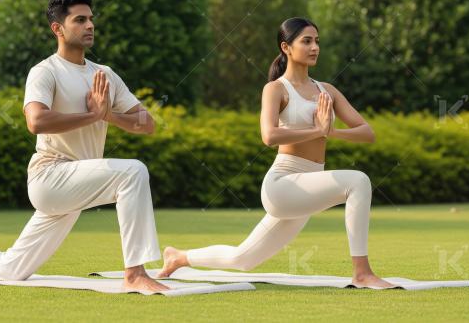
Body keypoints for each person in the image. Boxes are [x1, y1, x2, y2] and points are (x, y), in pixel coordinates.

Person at [0, 0, 169, 292]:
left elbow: (147, 124)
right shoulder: (45, 72)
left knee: (12, 269)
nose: (90, 25)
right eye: (80, 20)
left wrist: (108, 114)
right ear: (58, 28)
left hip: (79, 181)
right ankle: (135, 274)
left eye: (91, 19)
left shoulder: (104, 74)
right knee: (133, 172)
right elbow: (36, 121)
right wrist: (92, 116)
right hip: (50, 178)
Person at [158, 17, 396, 288]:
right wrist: (316, 131)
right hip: (282, 185)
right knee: (358, 181)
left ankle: (178, 257)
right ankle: (362, 273)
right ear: (286, 47)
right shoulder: (276, 89)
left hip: (307, 186)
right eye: (306, 41)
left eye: (317, 41)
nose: (314, 47)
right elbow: (269, 136)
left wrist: (330, 132)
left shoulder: (327, 90)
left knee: (243, 259)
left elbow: (367, 132)